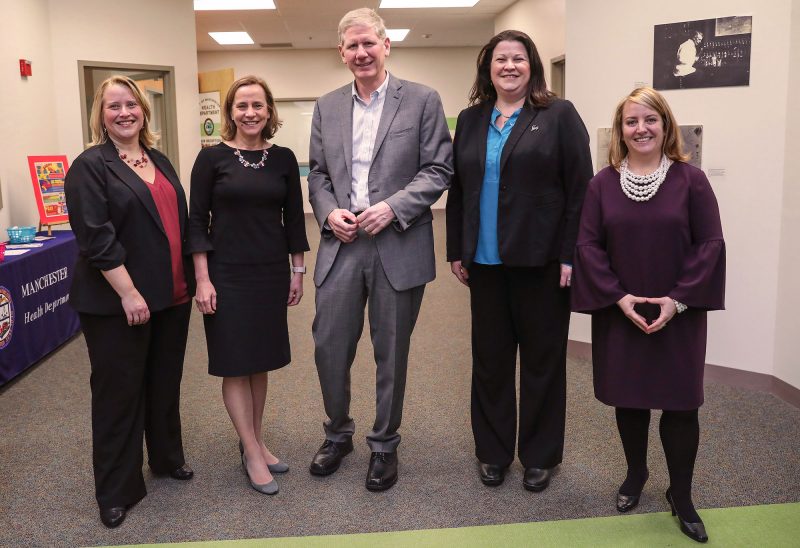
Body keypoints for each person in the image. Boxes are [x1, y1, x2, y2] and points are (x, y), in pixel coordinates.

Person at [307, 7, 453, 491]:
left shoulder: (422, 100)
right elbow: (319, 173)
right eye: (352, 45)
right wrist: (329, 212)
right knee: (330, 347)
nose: (361, 52)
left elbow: (438, 169)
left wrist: (392, 208)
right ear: (341, 53)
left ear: (386, 46)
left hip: (397, 244)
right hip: (341, 245)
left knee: (392, 352)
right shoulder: (326, 106)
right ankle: (337, 433)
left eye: (369, 43)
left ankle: (384, 444)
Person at [571, 87, 725, 543]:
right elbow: (588, 246)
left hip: (678, 312)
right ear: (621, 130)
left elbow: (709, 244)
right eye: (631, 121)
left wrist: (676, 302)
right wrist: (619, 298)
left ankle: (682, 493)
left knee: (681, 404)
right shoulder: (602, 183)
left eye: (650, 120)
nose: (641, 129)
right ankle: (635, 474)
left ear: (665, 125)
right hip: (623, 311)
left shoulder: (690, 180)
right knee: (630, 399)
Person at [445, 30, 592, 492]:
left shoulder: (558, 115)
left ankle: (540, 456)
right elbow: (459, 190)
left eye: (519, 59)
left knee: (542, 362)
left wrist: (571, 253)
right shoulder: (471, 119)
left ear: (533, 66)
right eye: (500, 59)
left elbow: (580, 191)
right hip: (485, 264)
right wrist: (457, 249)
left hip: (542, 261)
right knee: (489, 361)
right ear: (487, 68)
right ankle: (492, 452)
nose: (509, 66)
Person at [65, 75, 195, 528]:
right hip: (116, 302)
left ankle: (165, 457)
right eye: (113, 106)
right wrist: (129, 291)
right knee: (119, 393)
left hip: (171, 296)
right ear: (100, 116)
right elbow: (96, 239)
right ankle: (116, 489)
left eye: (131, 105)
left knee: (163, 382)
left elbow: (176, 222)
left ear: (144, 110)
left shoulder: (158, 160)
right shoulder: (90, 166)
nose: (124, 113)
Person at [188, 75, 309, 495]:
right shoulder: (211, 160)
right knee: (236, 362)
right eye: (242, 106)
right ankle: (252, 452)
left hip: (270, 273)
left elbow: (294, 218)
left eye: (258, 105)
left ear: (270, 111)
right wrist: (202, 280)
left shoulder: (284, 159)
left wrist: (298, 271)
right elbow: (196, 223)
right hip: (226, 275)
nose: (250, 113)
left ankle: (255, 441)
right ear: (230, 112)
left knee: (260, 361)